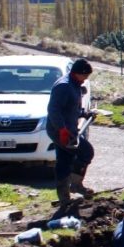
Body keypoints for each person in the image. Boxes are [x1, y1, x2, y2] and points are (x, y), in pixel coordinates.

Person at [47, 58, 95, 205]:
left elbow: (71, 108)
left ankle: (64, 197)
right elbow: (53, 110)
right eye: (85, 75)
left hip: (68, 129)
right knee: (86, 152)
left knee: (64, 160)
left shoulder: (74, 84)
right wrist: (61, 129)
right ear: (78, 73)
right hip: (60, 131)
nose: (86, 79)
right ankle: (75, 185)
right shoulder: (64, 86)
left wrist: (84, 114)